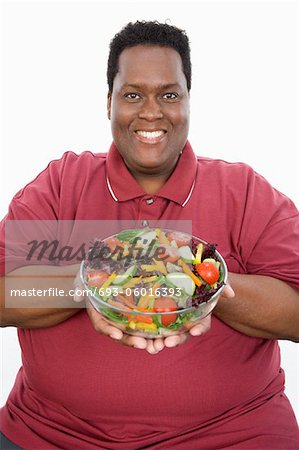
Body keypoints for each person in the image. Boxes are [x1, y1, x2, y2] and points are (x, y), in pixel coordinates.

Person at [0, 20, 299, 450]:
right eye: (133, 94)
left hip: (236, 435)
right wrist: (86, 286)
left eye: (169, 95)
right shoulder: (61, 183)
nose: (151, 112)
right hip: (51, 435)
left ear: (189, 102)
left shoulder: (246, 191)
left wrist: (207, 289)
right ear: (109, 103)